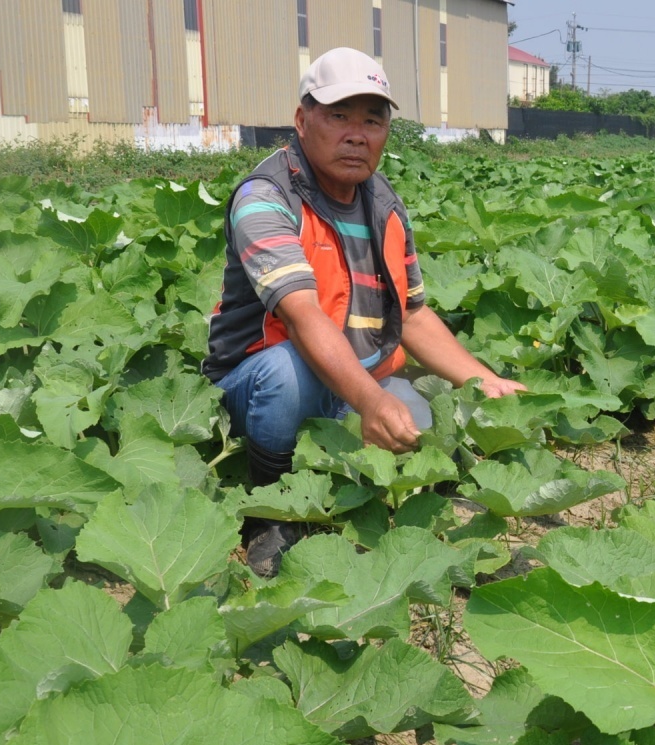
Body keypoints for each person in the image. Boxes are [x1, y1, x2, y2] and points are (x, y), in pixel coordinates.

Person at [202, 47, 525, 576]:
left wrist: (487, 381)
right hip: (259, 381)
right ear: (302, 121)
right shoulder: (265, 197)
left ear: (387, 132)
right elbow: (303, 316)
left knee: (431, 415)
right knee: (290, 375)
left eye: (372, 120)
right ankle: (274, 507)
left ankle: (413, 512)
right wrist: (372, 402)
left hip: (352, 380)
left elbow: (415, 316)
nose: (357, 134)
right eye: (339, 116)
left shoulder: (385, 205)